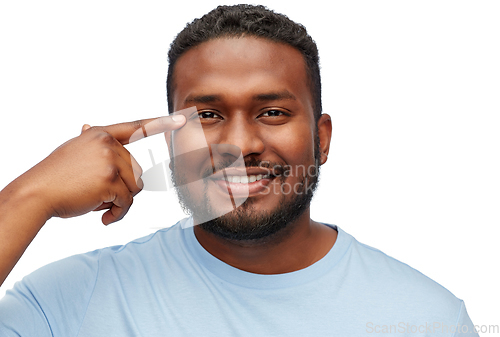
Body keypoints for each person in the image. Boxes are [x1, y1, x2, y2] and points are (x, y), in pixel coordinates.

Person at [0, 4, 479, 336]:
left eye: (272, 112)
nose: (240, 146)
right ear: (170, 139)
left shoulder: (427, 319)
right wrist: (28, 198)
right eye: (206, 116)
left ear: (322, 138)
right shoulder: (65, 303)